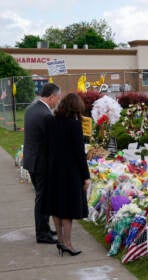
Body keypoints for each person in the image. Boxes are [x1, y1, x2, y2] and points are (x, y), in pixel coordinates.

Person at [42, 93, 90, 256]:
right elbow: (79, 154)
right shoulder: (74, 125)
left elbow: (46, 146)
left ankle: (61, 241)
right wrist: (86, 176)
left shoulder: (51, 122)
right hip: (70, 173)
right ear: (76, 108)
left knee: (56, 207)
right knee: (68, 209)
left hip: (53, 170)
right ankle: (68, 244)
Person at [23, 83, 61, 244]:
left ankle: (44, 229)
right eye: (57, 99)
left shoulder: (31, 109)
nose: (57, 102)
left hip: (32, 160)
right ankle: (42, 234)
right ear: (51, 97)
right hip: (41, 163)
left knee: (41, 197)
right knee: (43, 199)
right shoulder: (45, 115)